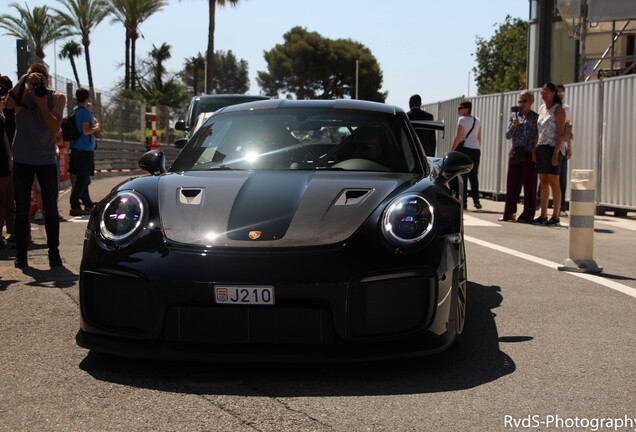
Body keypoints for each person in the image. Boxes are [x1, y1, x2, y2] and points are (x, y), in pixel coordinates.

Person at [3, 63, 66, 268]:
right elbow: (8, 106)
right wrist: (23, 81)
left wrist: (41, 103)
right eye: (34, 78)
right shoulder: (21, 95)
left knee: (50, 207)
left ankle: (54, 254)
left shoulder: (57, 97)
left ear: (48, 79)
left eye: (42, 78)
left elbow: (55, 127)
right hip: (22, 158)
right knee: (21, 209)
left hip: (46, 159)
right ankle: (21, 255)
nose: (39, 82)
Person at [500, 90, 538, 223]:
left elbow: (537, 136)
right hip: (516, 153)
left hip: (528, 153)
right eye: (520, 101)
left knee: (530, 186)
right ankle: (509, 213)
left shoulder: (535, 117)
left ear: (531, 102)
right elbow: (507, 135)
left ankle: (527, 215)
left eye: (525, 101)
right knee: (512, 185)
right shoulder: (515, 116)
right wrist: (514, 126)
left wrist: (534, 151)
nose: (522, 104)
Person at [533, 82, 565, 226]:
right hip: (542, 148)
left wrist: (556, 152)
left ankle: (556, 216)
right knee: (543, 181)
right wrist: (535, 149)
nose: (543, 94)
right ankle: (543, 215)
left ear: (553, 93)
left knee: (554, 182)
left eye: (546, 91)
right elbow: (538, 131)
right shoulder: (541, 109)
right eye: (542, 92)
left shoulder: (558, 110)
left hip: (553, 148)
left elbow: (561, 132)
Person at [68, 88, 100, 216]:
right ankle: (74, 203)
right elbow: (86, 130)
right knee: (83, 179)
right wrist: (96, 127)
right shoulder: (85, 112)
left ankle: (87, 204)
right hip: (85, 150)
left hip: (74, 148)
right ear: (87, 98)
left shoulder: (73, 111)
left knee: (83, 179)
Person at [451, 100, 482, 209]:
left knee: (463, 175)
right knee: (474, 175)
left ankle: (463, 202)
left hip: (465, 149)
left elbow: (458, 137)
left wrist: (452, 150)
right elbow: (479, 137)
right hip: (476, 150)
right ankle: (476, 199)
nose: (458, 110)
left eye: (460, 108)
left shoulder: (462, 120)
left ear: (466, 109)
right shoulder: (477, 120)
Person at [0, 74, 16, 246]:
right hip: (8, 156)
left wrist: (10, 156)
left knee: (8, 198)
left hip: (8, 157)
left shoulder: (10, 109)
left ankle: (14, 232)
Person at [556, 84, 572, 217]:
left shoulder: (565, 108)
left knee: (562, 177)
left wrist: (569, 147)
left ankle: (562, 206)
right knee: (545, 176)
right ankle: (538, 200)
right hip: (549, 146)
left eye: (562, 92)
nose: (560, 95)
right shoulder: (545, 108)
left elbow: (567, 129)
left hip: (562, 147)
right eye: (558, 92)